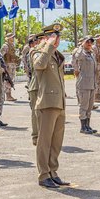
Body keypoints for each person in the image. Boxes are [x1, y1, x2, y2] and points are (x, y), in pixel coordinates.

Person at [32, 23, 70, 189]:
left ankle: (53, 171)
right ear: (46, 37)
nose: (57, 40)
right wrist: (47, 46)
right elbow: (39, 65)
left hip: (59, 102)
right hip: (47, 102)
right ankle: (43, 174)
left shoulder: (57, 54)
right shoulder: (38, 51)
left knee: (56, 141)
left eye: (58, 37)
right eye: (53, 37)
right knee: (45, 141)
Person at [73, 35, 97, 134]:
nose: (89, 43)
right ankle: (83, 127)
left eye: (91, 42)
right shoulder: (80, 52)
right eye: (87, 41)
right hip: (83, 83)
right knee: (84, 106)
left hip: (92, 84)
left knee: (90, 106)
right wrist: (81, 46)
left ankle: (88, 125)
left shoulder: (91, 53)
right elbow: (77, 57)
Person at [26, 32, 43, 146]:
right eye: (41, 40)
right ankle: (36, 136)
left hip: (45, 86)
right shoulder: (33, 52)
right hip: (36, 85)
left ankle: (43, 135)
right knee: (35, 113)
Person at [0, 33, 19, 102]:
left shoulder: (12, 45)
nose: (13, 38)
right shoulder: (5, 46)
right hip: (8, 65)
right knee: (8, 80)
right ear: (8, 38)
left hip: (12, 64)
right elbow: (1, 55)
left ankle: (9, 95)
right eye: (11, 37)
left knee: (11, 79)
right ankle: (7, 95)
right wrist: (3, 65)